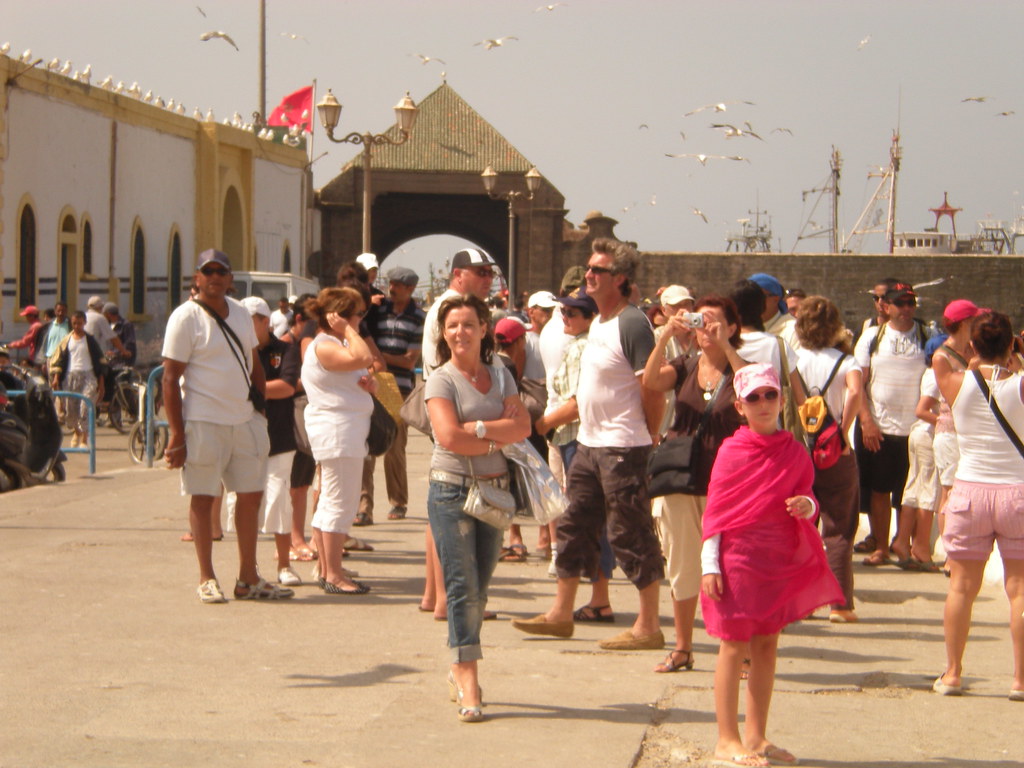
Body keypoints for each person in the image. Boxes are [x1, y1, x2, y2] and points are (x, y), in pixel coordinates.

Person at [512, 238, 665, 651]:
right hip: (590, 443)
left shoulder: (632, 323)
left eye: (597, 270)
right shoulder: (598, 322)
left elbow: (650, 386)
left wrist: (650, 433)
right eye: (588, 268)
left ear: (619, 279)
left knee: (629, 532)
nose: (588, 276)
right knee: (574, 524)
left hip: (622, 446)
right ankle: (561, 612)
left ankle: (648, 624)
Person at [701, 363, 843, 767]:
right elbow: (716, 513)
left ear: (782, 401)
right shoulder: (732, 450)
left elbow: (810, 498)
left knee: (767, 643)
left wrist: (807, 506)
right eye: (753, 398)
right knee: (733, 645)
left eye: (770, 395)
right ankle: (726, 738)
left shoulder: (794, 449)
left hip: (777, 557)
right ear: (740, 408)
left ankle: (756, 735)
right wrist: (710, 564)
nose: (763, 404)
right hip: (738, 559)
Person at [162, 249, 291, 603]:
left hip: (243, 419)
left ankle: (248, 577)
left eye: (222, 271)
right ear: (197, 278)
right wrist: (176, 434)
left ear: (230, 279)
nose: (216, 277)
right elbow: (170, 379)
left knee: (251, 497)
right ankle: (207, 577)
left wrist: (259, 412)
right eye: (209, 271)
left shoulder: (239, 314)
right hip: (203, 421)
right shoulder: (184, 318)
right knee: (203, 497)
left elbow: (255, 365)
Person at [424, 293, 530, 722]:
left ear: (484, 329)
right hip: (451, 490)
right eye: (452, 326)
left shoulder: (501, 373)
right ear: (443, 333)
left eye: (468, 324)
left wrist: (481, 430)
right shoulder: (441, 381)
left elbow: (524, 426)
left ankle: (457, 663)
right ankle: (468, 674)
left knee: (481, 588)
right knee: (463, 589)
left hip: (495, 490)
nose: (460, 332)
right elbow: (448, 437)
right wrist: (497, 437)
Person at [642, 295, 748, 672]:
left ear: (733, 327)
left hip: (729, 483)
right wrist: (666, 334)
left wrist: (725, 347)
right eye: (701, 321)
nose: (706, 328)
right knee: (683, 564)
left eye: (715, 322)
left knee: (731, 565)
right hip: (681, 480)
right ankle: (683, 647)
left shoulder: (743, 370)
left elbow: (752, 393)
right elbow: (652, 381)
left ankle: (737, 647)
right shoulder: (685, 365)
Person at [933, 310, 1024, 700]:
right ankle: (1020, 678)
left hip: (970, 490)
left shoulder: (954, 382)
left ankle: (953, 672)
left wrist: (976, 360)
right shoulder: (1020, 386)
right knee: (1019, 589)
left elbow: (941, 356)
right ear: (1010, 346)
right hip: (1016, 490)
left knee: (961, 587)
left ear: (973, 346)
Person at [419, 248, 498, 620]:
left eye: (490, 272)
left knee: (442, 507)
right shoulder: (455, 309)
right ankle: (445, 600)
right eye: (480, 271)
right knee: (452, 506)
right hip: (454, 411)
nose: (488, 278)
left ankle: (434, 596)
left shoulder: (448, 307)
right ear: (457, 275)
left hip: (449, 410)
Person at [534, 286, 613, 620]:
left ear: (590, 317)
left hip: (577, 439)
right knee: (586, 517)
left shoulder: (586, 349)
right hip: (571, 437)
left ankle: (594, 599)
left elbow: (579, 402)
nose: (563, 317)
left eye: (571, 313)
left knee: (584, 519)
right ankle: (597, 597)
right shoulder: (580, 345)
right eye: (562, 312)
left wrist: (544, 424)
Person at [301, 286, 376, 595]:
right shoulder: (325, 345)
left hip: (345, 431)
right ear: (340, 317)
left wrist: (366, 386)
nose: (361, 320)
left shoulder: (332, 346)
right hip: (338, 433)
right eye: (358, 314)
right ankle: (333, 573)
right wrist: (347, 329)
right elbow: (365, 355)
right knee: (339, 502)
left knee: (332, 500)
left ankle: (328, 566)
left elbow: (360, 366)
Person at [794, 296, 864, 621]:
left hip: (800, 449)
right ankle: (840, 604)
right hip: (835, 450)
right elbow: (855, 391)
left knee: (801, 525)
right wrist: (843, 428)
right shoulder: (847, 362)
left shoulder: (794, 360)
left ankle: (802, 600)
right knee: (839, 527)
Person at [854, 281, 931, 566]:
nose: (907, 309)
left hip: (915, 428)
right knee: (879, 490)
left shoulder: (927, 334)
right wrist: (866, 421)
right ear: (887, 306)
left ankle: (907, 545)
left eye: (911, 303)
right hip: (881, 427)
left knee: (909, 491)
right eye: (901, 303)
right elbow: (858, 383)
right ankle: (881, 546)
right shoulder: (871, 337)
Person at [240, 296, 303, 587]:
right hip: (245, 436)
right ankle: (249, 567)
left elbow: (287, 386)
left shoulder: (286, 350)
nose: (245, 326)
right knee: (246, 502)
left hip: (279, 436)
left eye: (250, 320)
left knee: (278, 499)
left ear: (266, 321)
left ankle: (284, 563)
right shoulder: (237, 351)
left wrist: (251, 390)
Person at [363, 266, 426, 523]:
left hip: (398, 388)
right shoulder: (377, 311)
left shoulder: (418, 317)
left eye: (397, 285)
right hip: (371, 384)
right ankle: (363, 505)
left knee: (394, 446)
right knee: (365, 445)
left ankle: (398, 502)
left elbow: (410, 361)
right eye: (390, 283)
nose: (391, 288)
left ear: (410, 289)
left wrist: (376, 356)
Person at [48, 311, 106, 447]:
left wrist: (101, 383)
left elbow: (100, 363)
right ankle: (76, 432)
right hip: (70, 377)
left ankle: (85, 438)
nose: (77, 326)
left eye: (79, 323)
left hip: (88, 376)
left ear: (84, 323)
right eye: (74, 323)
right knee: (71, 409)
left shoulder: (90, 341)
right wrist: (56, 378)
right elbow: (60, 361)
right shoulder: (66, 341)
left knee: (84, 407)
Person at [747, 272, 800, 352]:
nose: (752, 302)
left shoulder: (793, 330)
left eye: (757, 297)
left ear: (775, 299)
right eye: (748, 297)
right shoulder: (742, 329)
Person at [85, 295, 127, 361]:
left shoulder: (83, 316)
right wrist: (124, 352)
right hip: (96, 355)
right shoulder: (100, 318)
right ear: (100, 307)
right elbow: (113, 338)